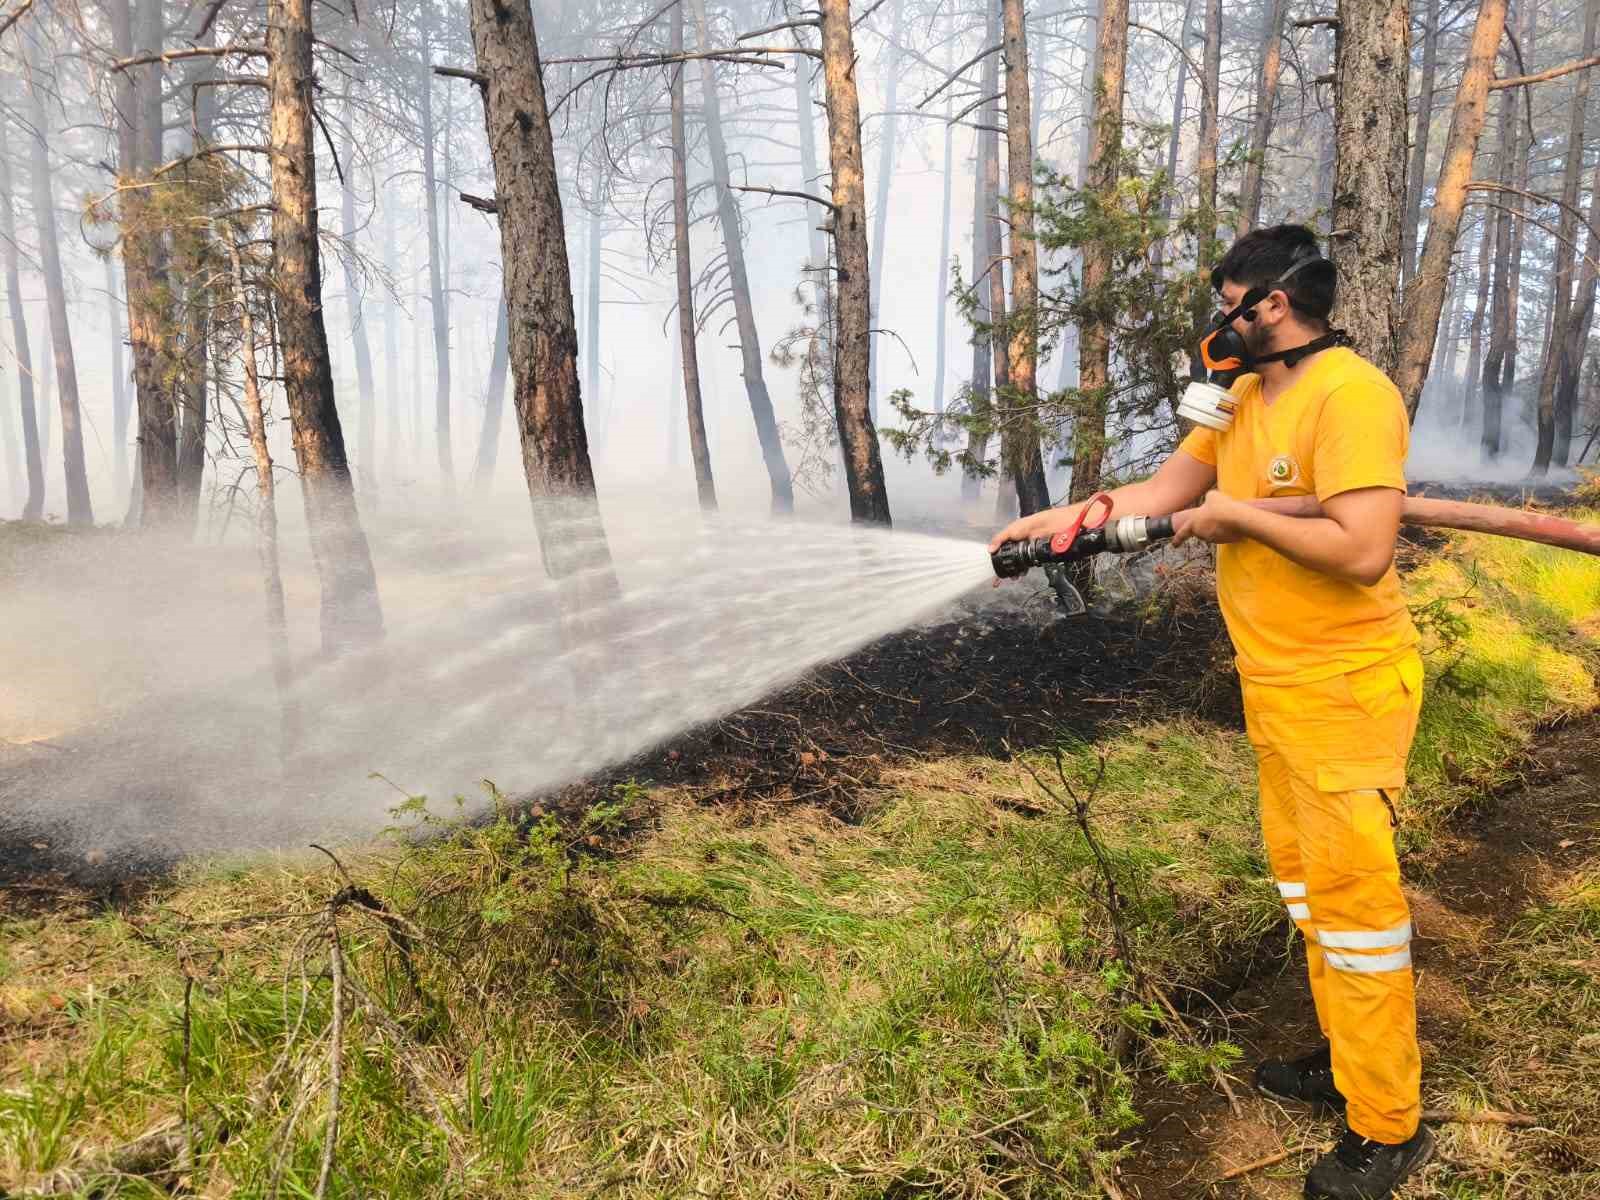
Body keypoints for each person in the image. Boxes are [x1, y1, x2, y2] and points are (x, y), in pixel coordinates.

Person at [992, 224, 1432, 1200]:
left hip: (1345, 691)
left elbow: (1364, 550)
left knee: (1356, 911)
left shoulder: (1351, 396)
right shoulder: (1238, 396)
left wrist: (1237, 517)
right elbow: (1163, 491)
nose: (1217, 325)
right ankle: (1348, 1057)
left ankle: (1387, 1126)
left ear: (1274, 304)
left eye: (1228, 306)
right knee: (1311, 895)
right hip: (1273, 688)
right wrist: (1065, 522)